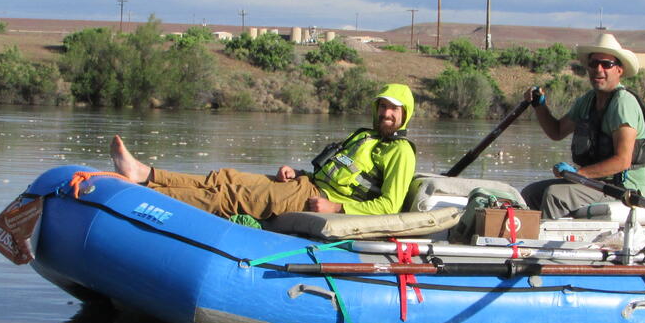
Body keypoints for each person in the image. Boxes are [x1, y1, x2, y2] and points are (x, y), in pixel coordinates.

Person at [109, 83, 417, 220]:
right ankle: (146, 174)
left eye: (393, 109)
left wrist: (337, 209)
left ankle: (146, 196)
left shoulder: (401, 153)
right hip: (306, 184)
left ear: (405, 115)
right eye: (383, 106)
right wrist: (299, 173)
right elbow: (339, 172)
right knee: (224, 177)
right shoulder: (363, 135)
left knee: (232, 196)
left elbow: (388, 206)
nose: (386, 113)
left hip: (320, 201)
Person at [521, 33, 645, 219]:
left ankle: (546, 243)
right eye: (593, 64)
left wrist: (578, 173)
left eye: (606, 64)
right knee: (531, 193)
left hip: (621, 189)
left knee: (554, 196)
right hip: (592, 183)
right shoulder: (587, 101)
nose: (598, 69)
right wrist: (539, 106)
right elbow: (557, 132)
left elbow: (623, 161)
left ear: (619, 70)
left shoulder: (623, 103)